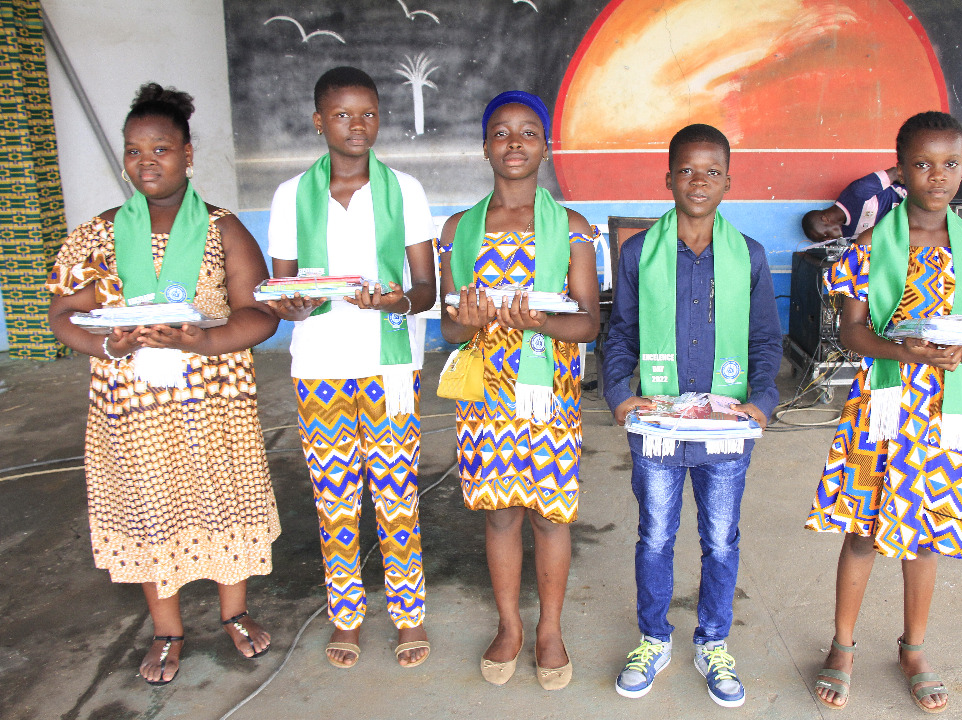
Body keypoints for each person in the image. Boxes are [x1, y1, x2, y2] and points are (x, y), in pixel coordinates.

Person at [46, 83, 281, 685]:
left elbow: (259, 314)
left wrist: (202, 340)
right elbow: (64, 314)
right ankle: (167, 629)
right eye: (134, 150)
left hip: (215, 401)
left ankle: (234, 612)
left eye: (161, 149)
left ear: (187, 154)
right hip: (133, 406)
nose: (146, 161)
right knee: (149, 509)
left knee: (224, 499)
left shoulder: (222, 229)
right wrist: (108, 344)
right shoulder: (97, 233)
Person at [805, 111, 962, 713]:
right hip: (883, 408)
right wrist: (905, 350)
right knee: (862, 530)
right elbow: (851, 333)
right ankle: (842, 645)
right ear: (900, 170)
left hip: (949, 413)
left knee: (928, 536)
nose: (937, 176)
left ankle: (914, 649)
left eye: (950, 164)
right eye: (922, 164)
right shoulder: (871, 247)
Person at [601, 124, 783, 707]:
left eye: (711, 171)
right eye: (686, 170)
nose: (698, 181)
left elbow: (765, 339)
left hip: (725, 430)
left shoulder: (749, 256)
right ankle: (653, 638)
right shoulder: (639, 253)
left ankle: (713, 641)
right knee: (655, 535)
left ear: (729, 181)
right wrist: (619, 393)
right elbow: (621, 332)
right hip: (658, 425)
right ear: (668, 179)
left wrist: (761, 402)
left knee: (721, 540)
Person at [265, 67, 436, 670]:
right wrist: (293, 305)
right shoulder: (290, 196)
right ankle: (347, 615)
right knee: (334, 499)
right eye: (342, 114)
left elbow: (426, 288)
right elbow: (281, 291)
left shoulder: (405, 191)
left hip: (391, 367)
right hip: (320, 366)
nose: (356, 125)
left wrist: (397, 301)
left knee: (396, 495)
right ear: (319, 122)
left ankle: (409, 615)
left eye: (368, 113)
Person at [438, 90, 600, 690]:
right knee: (501, 514)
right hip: (486, 396)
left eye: (528, 132)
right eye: (501, 133)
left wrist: (539, 323)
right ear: (485, 147)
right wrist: (470, 320)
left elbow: (588, 323)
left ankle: (549, 630)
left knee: (551, 518)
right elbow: (450, 328)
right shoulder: (460, 229)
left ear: (546, 147)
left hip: (549, 395)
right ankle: (509, 625)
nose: (514, 143)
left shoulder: (573, 229)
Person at [802, 167, 907, 242]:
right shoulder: (848, 235)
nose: (828, 240)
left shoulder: (856, 192)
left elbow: (896, 172)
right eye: (824, 240)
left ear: (825, 219)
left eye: (825, 235)